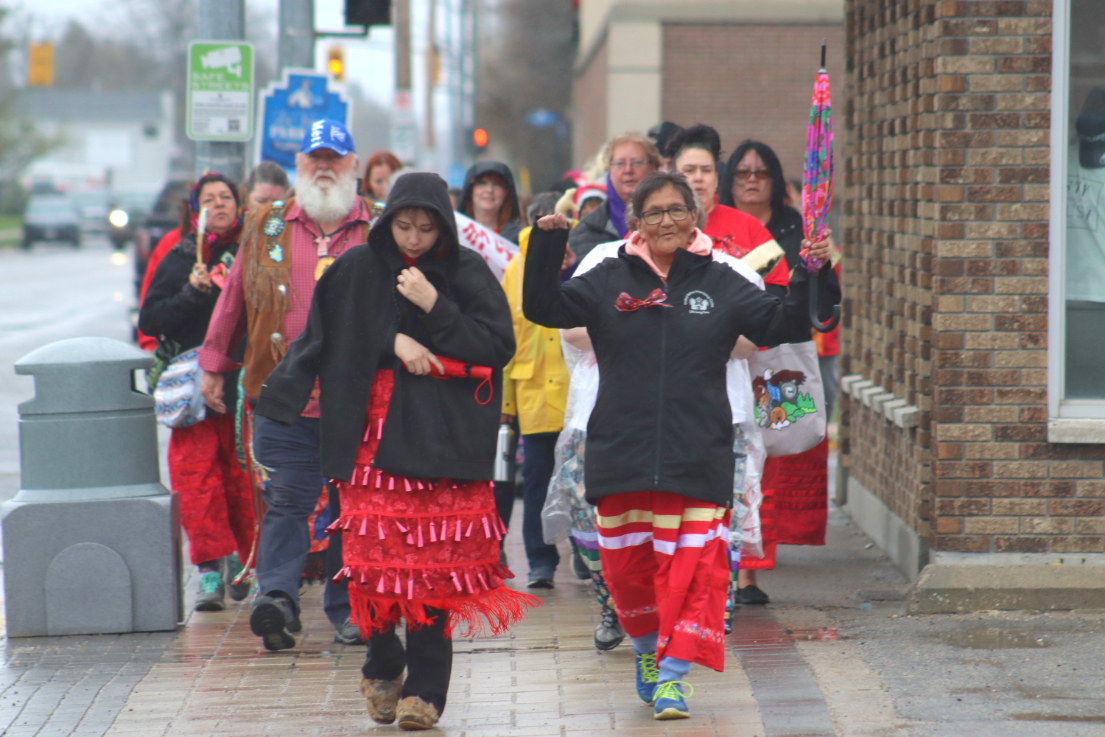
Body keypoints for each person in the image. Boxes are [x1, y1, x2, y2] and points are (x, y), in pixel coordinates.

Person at [523, 170, 836, 720]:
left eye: (678, 210)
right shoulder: (607, 273)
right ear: (636, 221)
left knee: (690, 570)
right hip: (620, 449)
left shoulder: (723, 277)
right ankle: (646, 649)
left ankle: (673, 676)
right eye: (654, 212)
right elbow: (545, 309)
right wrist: (548, 243)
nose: (667, 221)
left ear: (694, 215)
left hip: (699, 450)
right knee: (627, 570)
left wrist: (814, 269)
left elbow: (786, 320)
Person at [255, 171, 538, 730]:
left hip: (442, 440)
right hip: (371, 442)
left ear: (444, 227)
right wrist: (392, 340)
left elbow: (497, 346)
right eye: (404, 225)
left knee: (433, 567)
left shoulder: (464, 271)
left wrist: (436, 307)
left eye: (426, 228)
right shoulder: (357, 267)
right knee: (375, 564)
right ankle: (383, 663)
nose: (413, 238)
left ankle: (427, 692)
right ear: (387, 222)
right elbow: (326, 335)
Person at [198, 119, 373, 650]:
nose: (324, 167)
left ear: (353, 166)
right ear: (299, 165)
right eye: (314, 158)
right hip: (281, 395)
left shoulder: (379, 228)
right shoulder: (266, 224)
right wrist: (213, 363)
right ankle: (276, 599)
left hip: (358, 402)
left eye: (335, 158)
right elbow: (233, 300)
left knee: (353, 511)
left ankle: (350, 610)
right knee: (287, 502)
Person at [720, 139, 838, 604]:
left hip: (779, 363)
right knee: (739, 460)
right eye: (743, 172)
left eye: (761, 172)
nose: (752, 179)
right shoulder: (718, 228)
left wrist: (819, 263)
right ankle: (736, 569)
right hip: (730, 360)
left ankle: (752, 572)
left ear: (774, 179)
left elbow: (821, 301)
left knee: (774, 460)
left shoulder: (798, 229)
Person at [138, 173, 256, 612]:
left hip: (238, 385)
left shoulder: (253, 254)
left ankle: (246, 564)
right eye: (210, 199)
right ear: (196, 210)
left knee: (242, 478)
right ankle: (209, 569)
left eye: (227, 197)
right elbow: (150, 320)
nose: (220, 204)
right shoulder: (178, 257)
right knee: (196, 479)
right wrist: (191, 292)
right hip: (189, 392)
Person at [500, 193, 574, 589]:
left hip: (574, 391)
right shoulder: (515, 269)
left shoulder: (577, 263)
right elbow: (508, 337)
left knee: (580, 479)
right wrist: (507, 405)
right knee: (536, 481)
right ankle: (540, 560)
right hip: (533, 395)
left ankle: (583, 552)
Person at [567, 131, 660, 261]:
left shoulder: (672, 222)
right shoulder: (586, 230)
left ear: (654, 167)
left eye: (637, 162)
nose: (628, 170)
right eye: (620, 163)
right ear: (609, 170)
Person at [458, 161, 524, 244]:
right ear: (470, 190)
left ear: (506, 192)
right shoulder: (456, 235)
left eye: (497, 184)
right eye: (482, 183)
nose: (489, 190)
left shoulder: (520, 239)